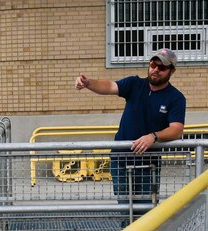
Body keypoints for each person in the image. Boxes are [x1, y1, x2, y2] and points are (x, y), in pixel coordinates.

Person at [75, 48, 186, 207]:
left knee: (147, 211)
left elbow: (177, 129)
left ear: (172, 71)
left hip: (149, 163)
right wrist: (88, 83)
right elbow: (109, 86)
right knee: (126, 208)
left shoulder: (176, 98)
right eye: (153, 64)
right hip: (121, 159)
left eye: (161, 68)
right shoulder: (135, 84)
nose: (155, 70)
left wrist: (153, 136)